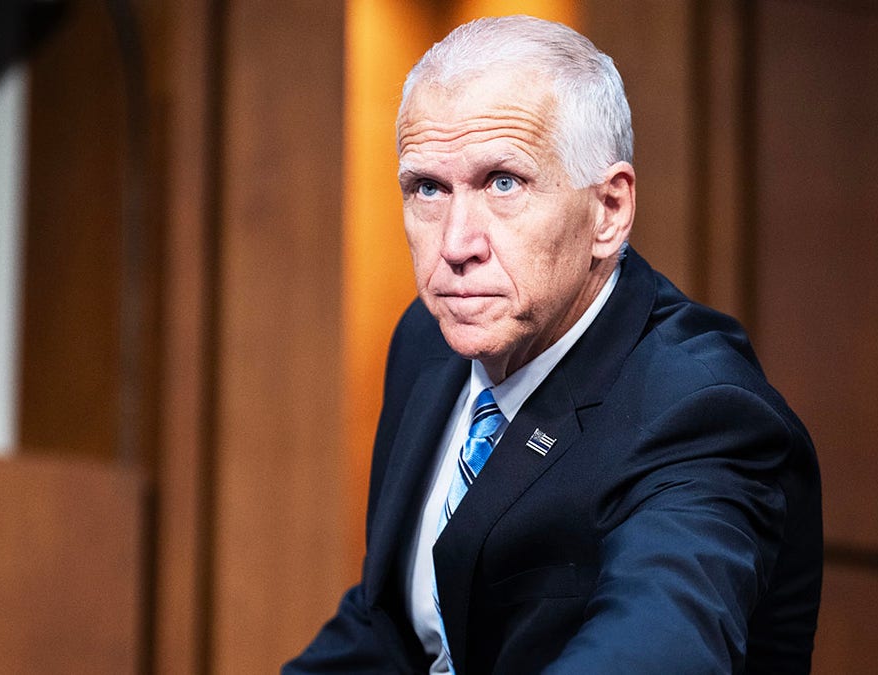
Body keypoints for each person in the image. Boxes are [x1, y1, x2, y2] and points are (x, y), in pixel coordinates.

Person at [285, 14, 821, 675]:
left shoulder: (700, 409)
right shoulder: (429, 339)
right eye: (428, 188)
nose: (455, 244)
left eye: (503, 183)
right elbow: (393, 624)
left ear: (609, 210)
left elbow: (653, 653)